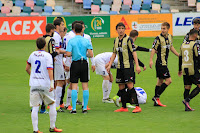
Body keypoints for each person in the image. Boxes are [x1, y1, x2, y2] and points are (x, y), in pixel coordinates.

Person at [26, 37, 62, 133]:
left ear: (36, 45)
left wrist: (33, 76)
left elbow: (27, 68)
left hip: (34, 84)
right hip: (45, 84)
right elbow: (50, 69)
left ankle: (35, 129)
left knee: (35, 106)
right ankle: (52, 127)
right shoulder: (47, 56)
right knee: (52, 103)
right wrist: (51, 83)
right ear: (45, 45)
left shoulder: (32, 54)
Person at [106, 22, 142, 113]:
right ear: (116, 30)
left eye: (122, 28)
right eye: (119, 28)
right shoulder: (116, 40)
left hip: (128, 67)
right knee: (121, 87)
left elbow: (134, 52)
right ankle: (124, 107)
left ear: (124, 29)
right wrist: (109, 65)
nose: (121, 30)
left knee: (130, 85)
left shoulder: (129, 39)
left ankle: (137, 106)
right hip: (119, 67)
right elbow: (114, 53)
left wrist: (137, 65)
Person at [112, 29, 150, 108]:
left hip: (125, 67)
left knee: (125, 85)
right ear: (136, 36)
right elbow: (136, 51)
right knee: (129, 85)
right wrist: (140, 65)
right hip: (128, 67)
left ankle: (121, 100)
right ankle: (128, 103)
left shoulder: (126, 40)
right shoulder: (128, 41)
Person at [149, 22, 179, 107]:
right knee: (169, 80)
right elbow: (153, 49)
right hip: (160, 63)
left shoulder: (170, 37)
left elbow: (171, 47)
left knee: (160, 81)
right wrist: (151, 60)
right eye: (162, 28)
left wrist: (178, 55)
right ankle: (156, 97)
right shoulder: (158, 38)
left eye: (164, 28)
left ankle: (156, 101)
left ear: (168, 29)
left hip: (164, 62)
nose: (162, 30)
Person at [66, 23, 93, 114]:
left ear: (74, 30)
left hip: (75, 63)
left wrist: (75, 53)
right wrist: (84, 54)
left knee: (74, 85)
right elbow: (91, 54)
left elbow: (68, 54)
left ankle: (73, 108)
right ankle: (84, 108)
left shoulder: (71, 41)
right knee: (85, 86)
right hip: (84, 63)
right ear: (82, 30)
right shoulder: (86, 40)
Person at [179, 29, 200, 111]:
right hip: (192, 69)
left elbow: (180, 57)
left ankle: (186, 107)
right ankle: (187, 100)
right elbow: (198, 57)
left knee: (187, 87)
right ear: (194, 35)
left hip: (184, 68)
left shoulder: (183, 44)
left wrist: (179, 69)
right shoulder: (194, 44)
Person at [52, 18, 66, 112]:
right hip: (57, 62)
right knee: (60, 82)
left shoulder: (56, 36)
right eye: (62, 25)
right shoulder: (56, 36)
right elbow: (56, 50)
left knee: (57, 83)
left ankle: (54, 104)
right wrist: (67, 52)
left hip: (58, 61)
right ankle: (56, 105)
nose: (63, 26)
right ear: (57, 26)